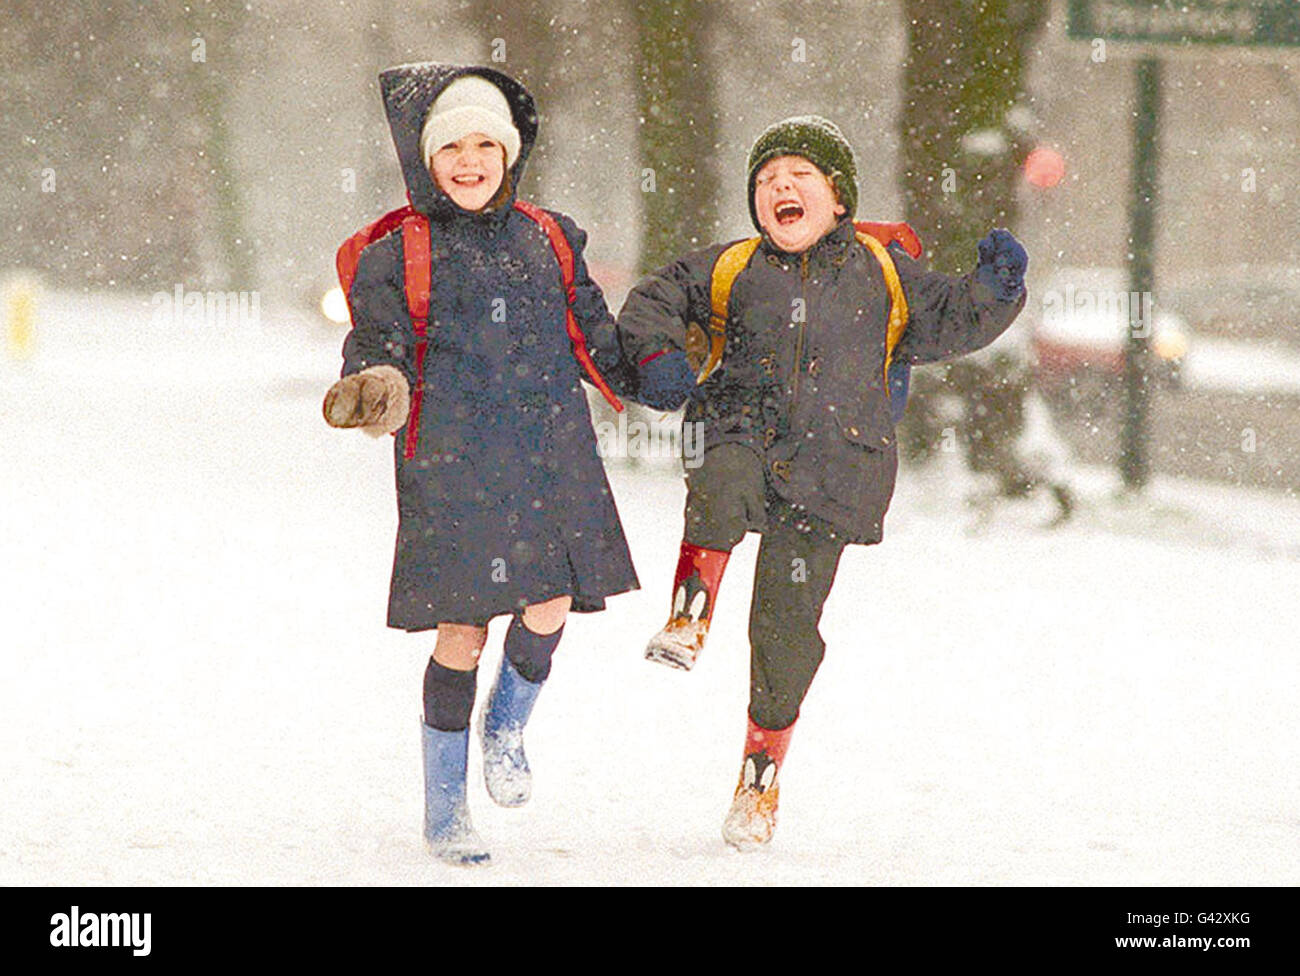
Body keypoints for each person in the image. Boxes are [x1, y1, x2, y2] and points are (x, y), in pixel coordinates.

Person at [619, 115, 1028, 848]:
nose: (781, 186)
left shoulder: (882, 269)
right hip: (742, 426)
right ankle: (688, 614)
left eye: (799, 176)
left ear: (838, 199)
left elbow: (953, 316)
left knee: (784, 630)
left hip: (837, 467)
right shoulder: (730, 266)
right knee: (721, 481)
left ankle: (759, 783)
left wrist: (999, 288)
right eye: (768, 180)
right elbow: (654, 298)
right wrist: (655, 358)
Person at [323, 63, 638, 866]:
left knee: (551, 604)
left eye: (484, 143)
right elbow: (377, 341)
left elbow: (596, 339)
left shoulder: (551, 237)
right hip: (450, 461)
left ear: (509, 152)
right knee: (463, 630)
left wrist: (655, 373)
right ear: (427, 161)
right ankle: (444, 809)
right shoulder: (397, 253)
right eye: (451, 146)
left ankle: (506, 727)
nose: (469, 159)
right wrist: (377, 385)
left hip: (549, 452)